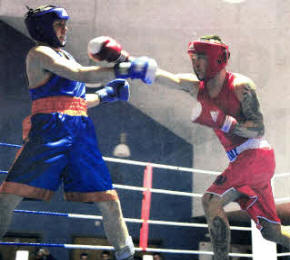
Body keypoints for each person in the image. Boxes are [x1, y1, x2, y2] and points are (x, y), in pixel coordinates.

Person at [0, 5, 157, 260]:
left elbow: (75, 102)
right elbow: (80, 74)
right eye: (59, 25)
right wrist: (124, 69)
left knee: (108, 198)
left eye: (65, 24)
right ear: (43, 28)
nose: (65, 29)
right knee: (9, 196)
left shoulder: (67, 56)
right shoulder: (39, 54)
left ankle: (127, 255)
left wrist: (106, 95)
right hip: (48, 130)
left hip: (80, 130)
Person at [155, 35, 290, 259]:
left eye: (200, 58)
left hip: (255, 154)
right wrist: (131, 65)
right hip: (245, 161)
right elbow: (170, 79)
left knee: (210, 200)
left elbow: (258, 129)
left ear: (217, 59)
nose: (195, 63)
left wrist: (223, 121)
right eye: (193, 58)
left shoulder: (240, 86)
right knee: (271, 231)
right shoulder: (197, 87)